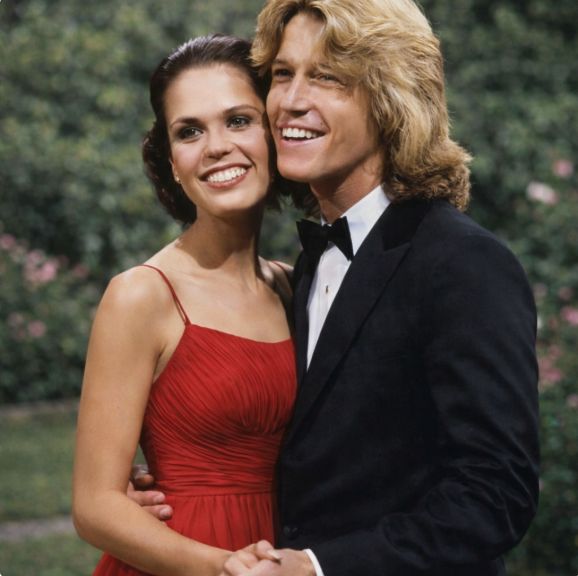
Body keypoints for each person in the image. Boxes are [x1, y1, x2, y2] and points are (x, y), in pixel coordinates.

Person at [135, 1, 540, 575]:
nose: (291, 101)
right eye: (283, 74)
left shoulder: (463, 263)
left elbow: (495, 495)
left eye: (327, 76)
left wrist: (320, 566)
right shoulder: (301, 271)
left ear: (391, 97)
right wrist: (175, 488)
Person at [72, 34, 297, 576]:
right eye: (189, 131)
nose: (216, 146)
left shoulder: (294, 288)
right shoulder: (141, 296)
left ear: (273, 133)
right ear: (173, 162)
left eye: (238, 120)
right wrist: (225, 567)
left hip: (284, 556)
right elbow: (94, 506)